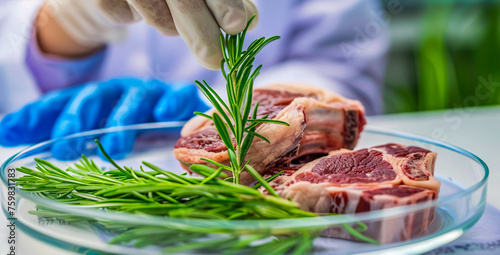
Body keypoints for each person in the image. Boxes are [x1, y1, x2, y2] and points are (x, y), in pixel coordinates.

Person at [0, 0, 388, 154]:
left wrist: (225, 112)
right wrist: (65, 22)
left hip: (240, 190)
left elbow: (340, 62)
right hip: (60, 168)